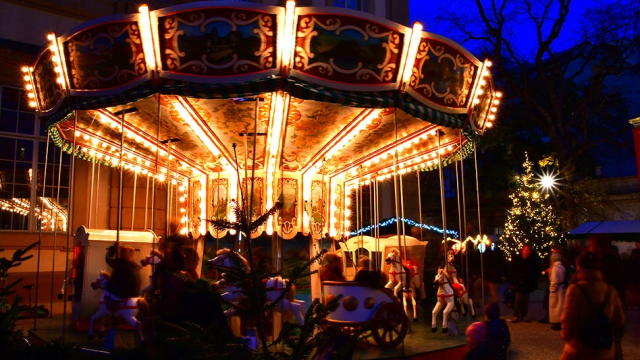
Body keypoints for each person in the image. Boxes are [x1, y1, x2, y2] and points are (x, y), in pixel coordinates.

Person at [560, 251, 626, 360]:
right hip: (604, 350)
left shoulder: (575, 290)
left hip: (580, 348)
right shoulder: (610, 290)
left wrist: (566, 336)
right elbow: (619, 320)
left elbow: (568, 321)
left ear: (579, 266)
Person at [510, 244, 538, 323]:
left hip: (527, 283)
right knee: (518, 300)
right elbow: (512, 272)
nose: (527, 252)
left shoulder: (532, 260)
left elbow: (533, 273)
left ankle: (524, 316)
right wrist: (512, 282)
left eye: (528, 250)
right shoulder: (517, 260)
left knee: (525, 300)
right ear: (522, 250)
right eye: (526, 250)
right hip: (518, 283)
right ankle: (516, 315)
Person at [549, 252, 567, 330]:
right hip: (561, 288)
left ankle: (556, 322)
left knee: (555, 307)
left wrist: (552, 289)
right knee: (560, 306)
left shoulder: (555, 268)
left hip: (557, 289)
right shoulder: (562, 267)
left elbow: (554, 280)